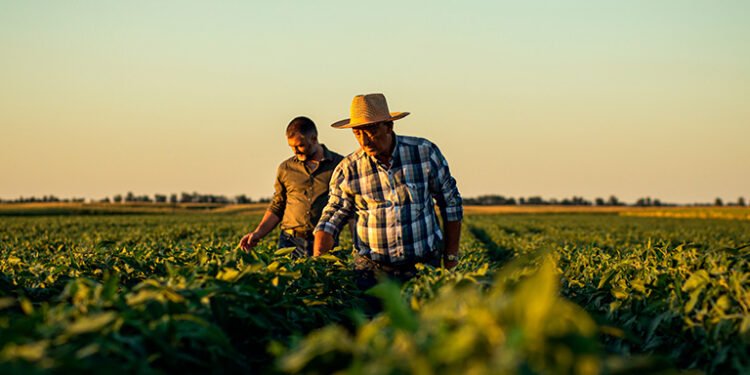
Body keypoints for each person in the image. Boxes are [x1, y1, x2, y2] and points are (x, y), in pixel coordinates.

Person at [313, 93, 463, 288]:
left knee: (423, 317)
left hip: (423, 266)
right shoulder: (348, 169)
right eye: (357, 133)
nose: (364, 140)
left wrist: (450, 256)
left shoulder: (424, 152)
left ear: (389, 126)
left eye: (371, 130)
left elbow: (450, 202)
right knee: (372, 318)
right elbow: (331, 218)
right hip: (372, 271)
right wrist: (319, 263)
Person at [239, 116, 344, 258]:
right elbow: (277, 205)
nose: (295, 151)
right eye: (292, 147)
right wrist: (257, 233)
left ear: (314, 139)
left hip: (324, 240)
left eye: (300, 146)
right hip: (290, 242)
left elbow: (349, 207)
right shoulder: (286, 168)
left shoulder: (339, 165)